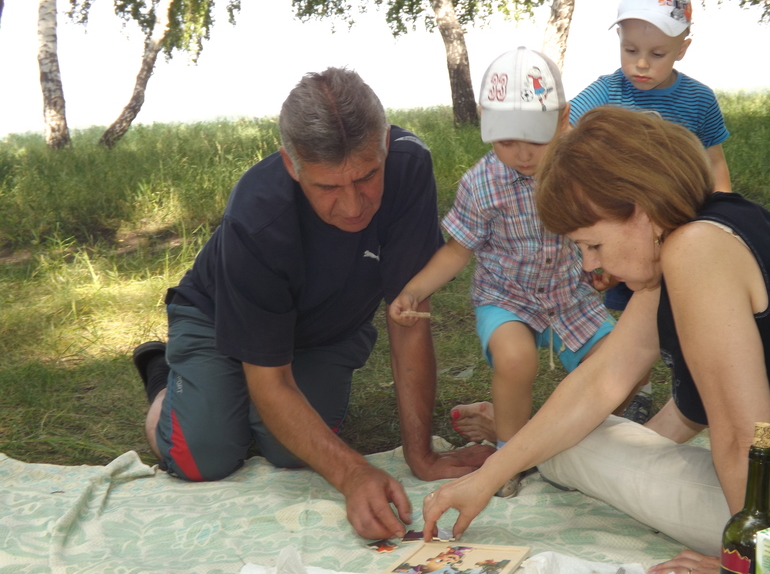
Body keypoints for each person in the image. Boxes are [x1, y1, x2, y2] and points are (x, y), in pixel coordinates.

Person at [131, 67, 493, 541]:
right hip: (218, 319)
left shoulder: (410, 166)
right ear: (291, 163)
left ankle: (217, 395)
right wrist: (352, 474)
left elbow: (409, 316)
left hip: (327, 330)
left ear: (385, 144)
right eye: (327, 187)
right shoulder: (255, 214)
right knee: (202, 456)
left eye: (367, 176)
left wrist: (420, 455)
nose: (353, 206)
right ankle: (164, 377)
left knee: (292, 452)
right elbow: (270, 380)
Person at [421, 106, 770, 574]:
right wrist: (488, 477)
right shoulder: (702, 231)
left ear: (641, 209)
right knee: (567, 437)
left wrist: (743, 562)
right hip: (756, 483)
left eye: (593, 245)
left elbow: (742, 437)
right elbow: (601, 381)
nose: (589, 265)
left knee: (570, 446)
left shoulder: (694, 251)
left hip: (762, 507)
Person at [390, 48, 633, 499]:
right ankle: (508, 456)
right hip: (507, 298)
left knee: (623, 364)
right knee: (516, 359)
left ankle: (563, 437)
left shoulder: (585, 173)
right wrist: (414, 290)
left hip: (570, 296)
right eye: (506, 142)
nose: (522, 155)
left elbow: (605, 237)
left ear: (563, 119)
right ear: (485, 122)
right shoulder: (481, 184)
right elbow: (457, 251)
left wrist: (607, 273)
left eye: (535, 141)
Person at [568, 0, 733, 421]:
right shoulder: (605, 92)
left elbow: (714, 163)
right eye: (630, 50)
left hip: (681, 235)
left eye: (657, 54)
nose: (641, 64)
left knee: (687, 319)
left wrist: (722, 219)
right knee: (631, 321)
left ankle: (692, 394)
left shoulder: (698, 100)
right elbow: (567, 135)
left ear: (683, 49)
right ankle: (635, 392)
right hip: (627, 237)